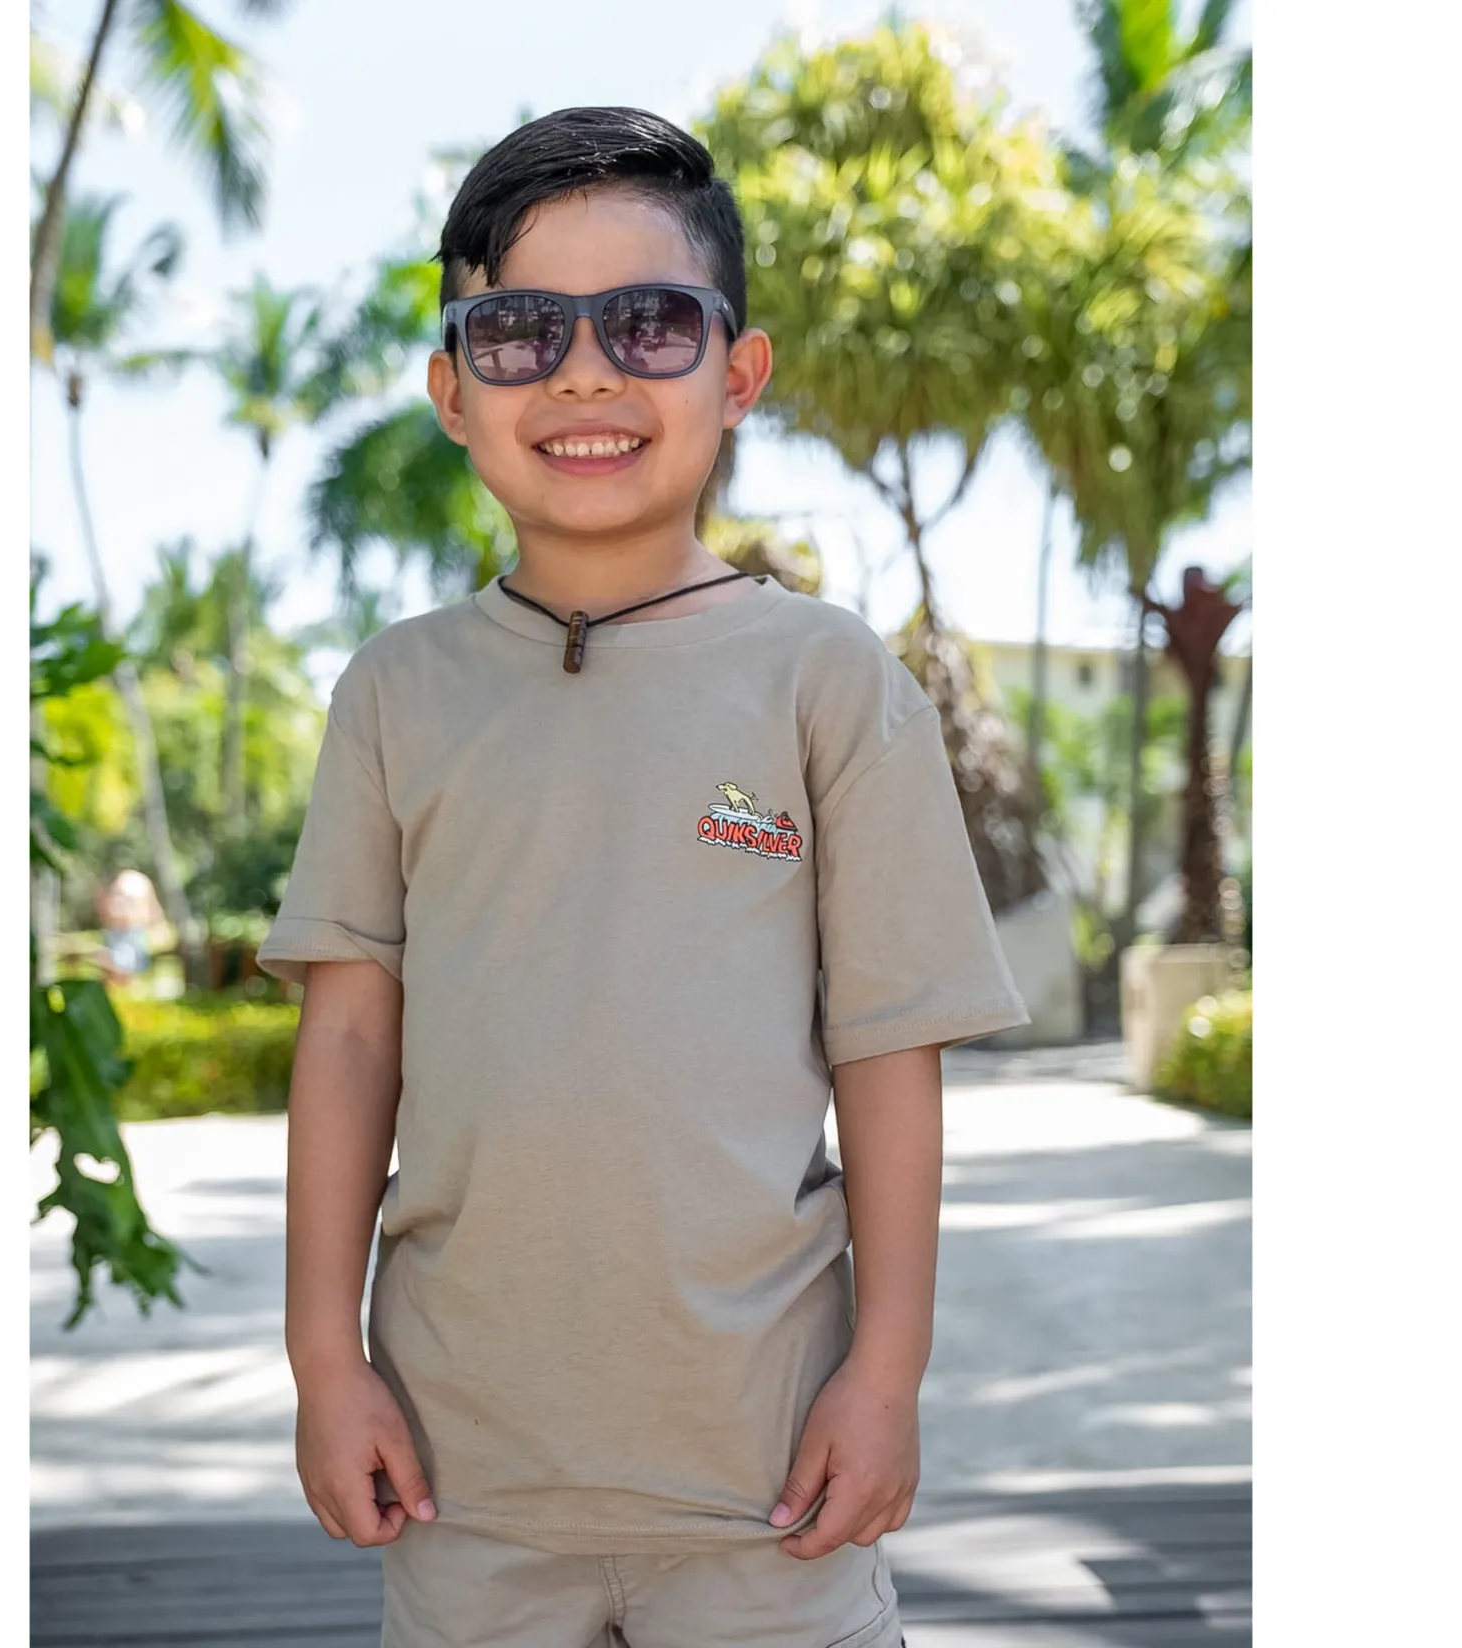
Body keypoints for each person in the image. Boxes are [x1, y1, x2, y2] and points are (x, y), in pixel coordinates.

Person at [256, 106, 1029, 1648]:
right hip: (466, 1481)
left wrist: (887, 1377)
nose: (585, 375)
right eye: (521, 331)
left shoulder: (827, 681)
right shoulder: (395, 693)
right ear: (452, 391)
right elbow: (346, 1039)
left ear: (738, 374)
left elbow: (889, 1049)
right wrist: (324, 1364)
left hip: (769, 1477)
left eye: (650, 324)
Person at [95, 866, 163, 987]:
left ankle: (128, 985)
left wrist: (156, 926)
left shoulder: (140, 883)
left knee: (129, 966)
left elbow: (152, 908)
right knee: (114, 965)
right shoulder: (121, 884)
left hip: (134, 931)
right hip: (116, 931)